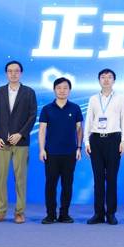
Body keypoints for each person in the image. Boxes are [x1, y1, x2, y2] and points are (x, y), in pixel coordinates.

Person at [0, 60, 37, 224]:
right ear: (6, 73)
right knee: (1, 178)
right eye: (10, 71)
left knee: (20, 179)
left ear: (21, 73)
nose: (13, 74)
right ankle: (0, 212)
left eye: (16, 71)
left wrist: (20, 134)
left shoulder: (29, 92)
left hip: (20, 143)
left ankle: (19, 212)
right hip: (1, 143)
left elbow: (32, 116)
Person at [83, 68, 124, 225]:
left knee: (111, 178)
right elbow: (89, 120)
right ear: (99, 80)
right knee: (98, 179)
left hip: (114, 140)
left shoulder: (121, 98)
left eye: (109, 77)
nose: (106, 80)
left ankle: (111, 213)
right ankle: (98, 213)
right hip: (96, 140)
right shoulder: (93, 99)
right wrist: (86, 141)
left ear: (114, 80)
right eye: (103, 77)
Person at [38, 77, 83, 224]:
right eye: (59, 88)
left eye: (65, 88)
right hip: (51, 153)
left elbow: (79, 129)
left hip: (70, 153)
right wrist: (41, 149)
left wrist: (79, 147)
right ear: (54, 90)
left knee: (67, 185)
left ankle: (64, 214)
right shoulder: (47, 109)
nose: (62, 90)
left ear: (69, 90)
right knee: (50, 185)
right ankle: (50, 215)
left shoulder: (75, 108)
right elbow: (42, 130)